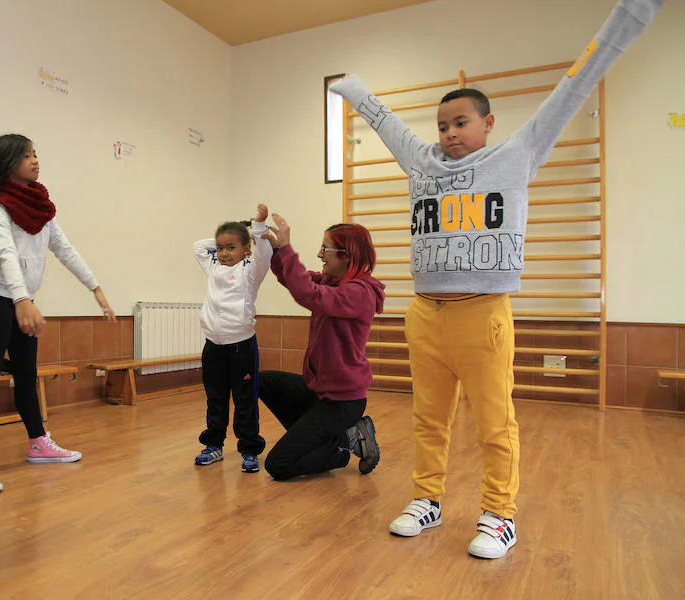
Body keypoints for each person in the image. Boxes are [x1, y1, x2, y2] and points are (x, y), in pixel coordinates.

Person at [329, 0, 663, 559]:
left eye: (461, 122)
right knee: (428, 419)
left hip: (483, 312)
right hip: (425, 313)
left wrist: (628, 17)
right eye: (442, 125)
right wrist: (355, 91)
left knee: (493, 422)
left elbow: (574, 87)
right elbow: (385, 123)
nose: (450, 133)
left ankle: (499, 515)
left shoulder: (517, 154)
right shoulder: (423, 163)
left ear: (488, 123)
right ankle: (427, 498)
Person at [0, 134, 117, 493]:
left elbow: (65, 249)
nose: (35, 160)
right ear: (7, 163)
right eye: (26, 155)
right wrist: (21, 300)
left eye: (35, 154)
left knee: (26, 374)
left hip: (24, 302)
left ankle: (38, 441)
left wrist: (94, 286)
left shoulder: (41, 210)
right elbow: (4, 256)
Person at [259, 215, 385, 480]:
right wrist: (276, 250)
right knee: (263, 382)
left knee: (278, 465)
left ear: (347, 255)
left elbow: (307, 294)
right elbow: (294, 278)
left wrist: (288, 247)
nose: (319, 254)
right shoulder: (332, 281)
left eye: (325, 249)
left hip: (342, 402)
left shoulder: (360, 293)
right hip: (320, 391)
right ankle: (337, 437)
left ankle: (340, 450)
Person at [193, 205, 272, 473]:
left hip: (241, 348)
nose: (224, 253)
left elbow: (264, 254)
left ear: (246, 249)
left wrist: (255, 229)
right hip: (213, 346)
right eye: (221, 247)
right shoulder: (213, 266)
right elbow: (198, 247)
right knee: (215, 398)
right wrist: (234, 232)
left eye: (231, 248)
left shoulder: (251, 271)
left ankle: (249, 449)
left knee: (244, 401)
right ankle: (213, 445)